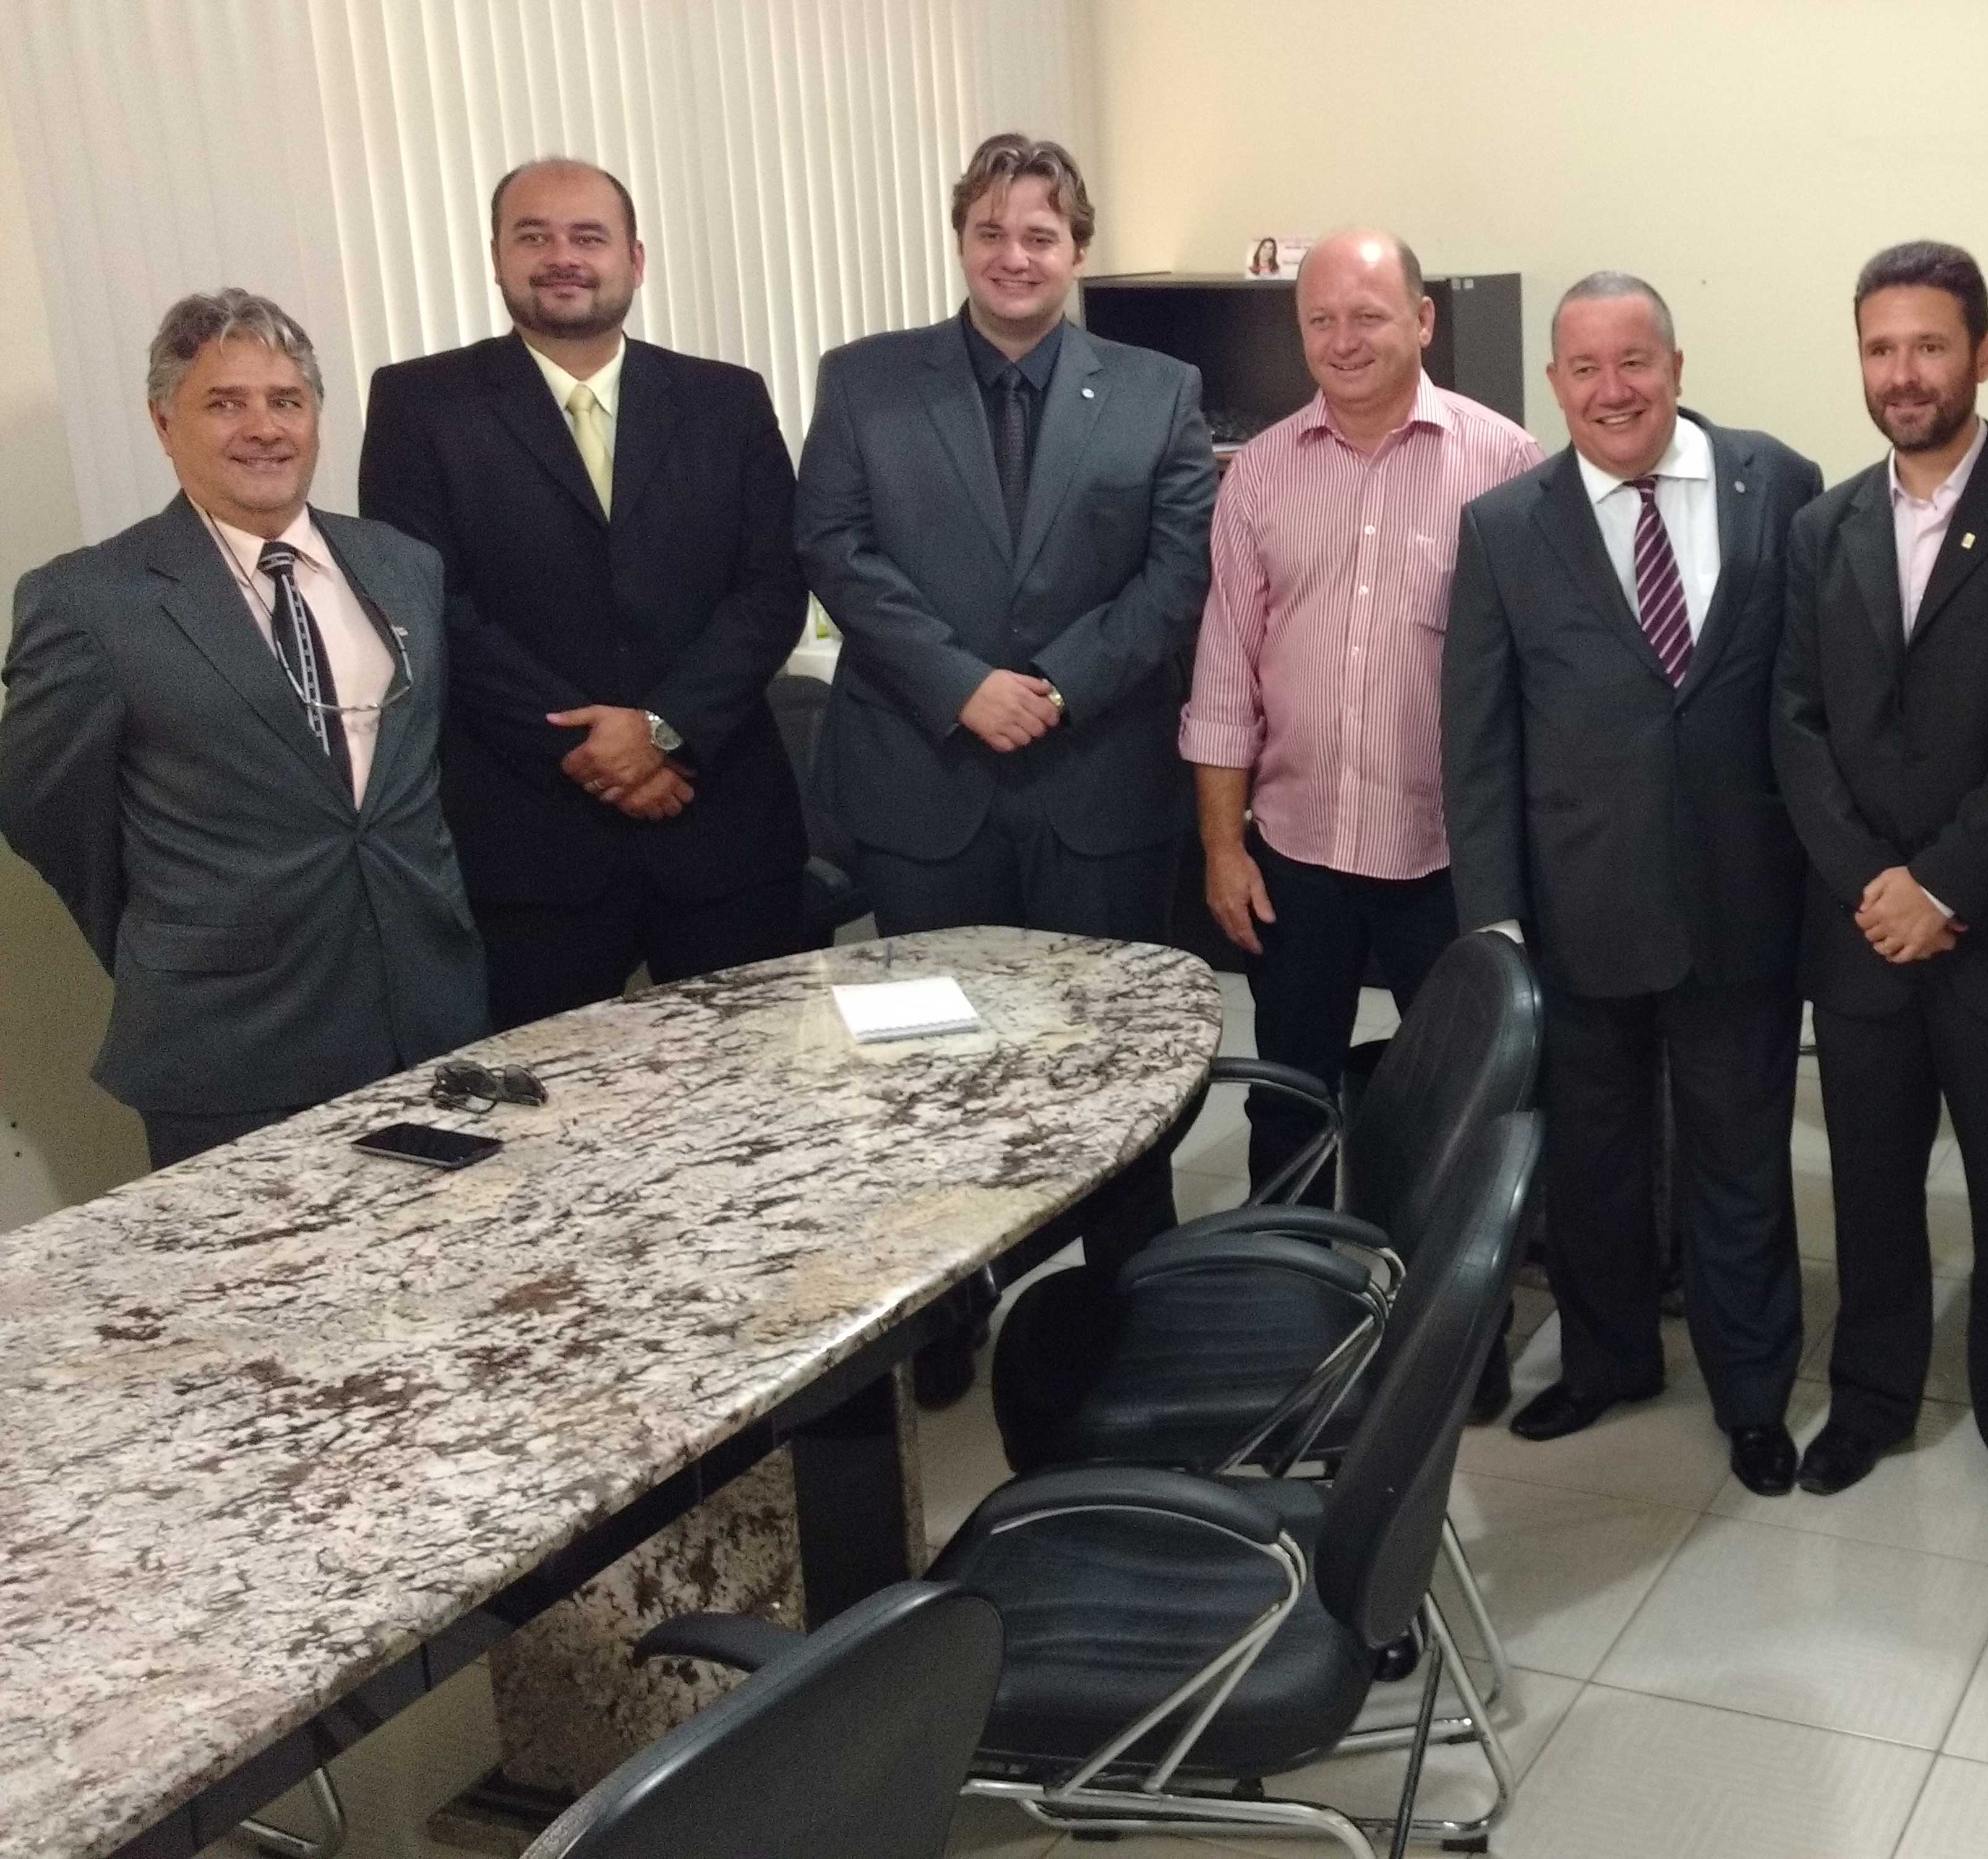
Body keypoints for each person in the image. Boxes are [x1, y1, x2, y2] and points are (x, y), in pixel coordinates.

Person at [797, 131, 1216, 1403]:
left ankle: (1130, 1309)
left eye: (1039, 233)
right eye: (990, 231)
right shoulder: (867, 382)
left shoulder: (1157, 388)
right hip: (928, 787)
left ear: (1075, 248)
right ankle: (945, 1316)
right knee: (940, 1078)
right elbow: (832, 544)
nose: (1014, 255)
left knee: (1111, 1067)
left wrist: (1060, 686)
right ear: (961, 241)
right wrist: (959, 685)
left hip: (1095, 785)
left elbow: (1176, 571)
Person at [1444, 271, 1823, 1494]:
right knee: (1595, 1164)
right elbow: (1480, 736)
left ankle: (1753, 1392)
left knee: (1739, 1161)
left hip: (1741, 902)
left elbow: (1809, 701)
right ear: (1553, 385)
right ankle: (1606, 1364)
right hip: (1579, 904)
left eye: (1634, 362)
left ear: (1675, 363)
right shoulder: (1507, 527)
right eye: (1584, 370)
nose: (1613, 390)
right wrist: (1494, 920)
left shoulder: (1780, 483)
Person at [1773, 240, 1988, 1544]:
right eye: (1879, 348)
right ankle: (1867, 1401)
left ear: (1981, 353)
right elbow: (1793, 726)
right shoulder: (1824, 527)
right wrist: (1875, 882)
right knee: (1869, 1186)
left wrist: (1945, 885)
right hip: (1860, 928)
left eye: (1927, 345)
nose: (1901, 372)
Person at [0, 290, 485, 1167]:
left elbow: (420, 775)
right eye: (226, 402)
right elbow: (46, 812)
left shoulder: (403, 566)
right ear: (164, 421)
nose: (264, 427)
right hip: (233, 1041)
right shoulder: (90, 601)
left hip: (429, 1010)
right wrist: (173, 929)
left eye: (287, 400)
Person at [359, 157, 812, 1030]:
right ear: (496, 257)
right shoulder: (420, 404)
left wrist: (660, 732)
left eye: (588, 236)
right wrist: (600, 752)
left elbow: (771, 587)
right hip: (532, 846)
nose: (562, 256)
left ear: (635, 259)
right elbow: (430, 607)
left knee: (763, 1110)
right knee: (552, 1133)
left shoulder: (727, 399)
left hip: (719, 824)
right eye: (535, 235)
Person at [1181, 228, 1541, 1202]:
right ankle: (1287, 1302)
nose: (1344, 341)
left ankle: (1449, 1325)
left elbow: (1538, 679)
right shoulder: (1256, 472)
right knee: (1286, 1097)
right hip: (1297, 854)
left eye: (1369, 317)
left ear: (1423, 320)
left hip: (1446, 858)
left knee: (1459, 1099)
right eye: (1321, 321)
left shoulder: (1505, 460)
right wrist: (1224, 847)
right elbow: (1225, 677)